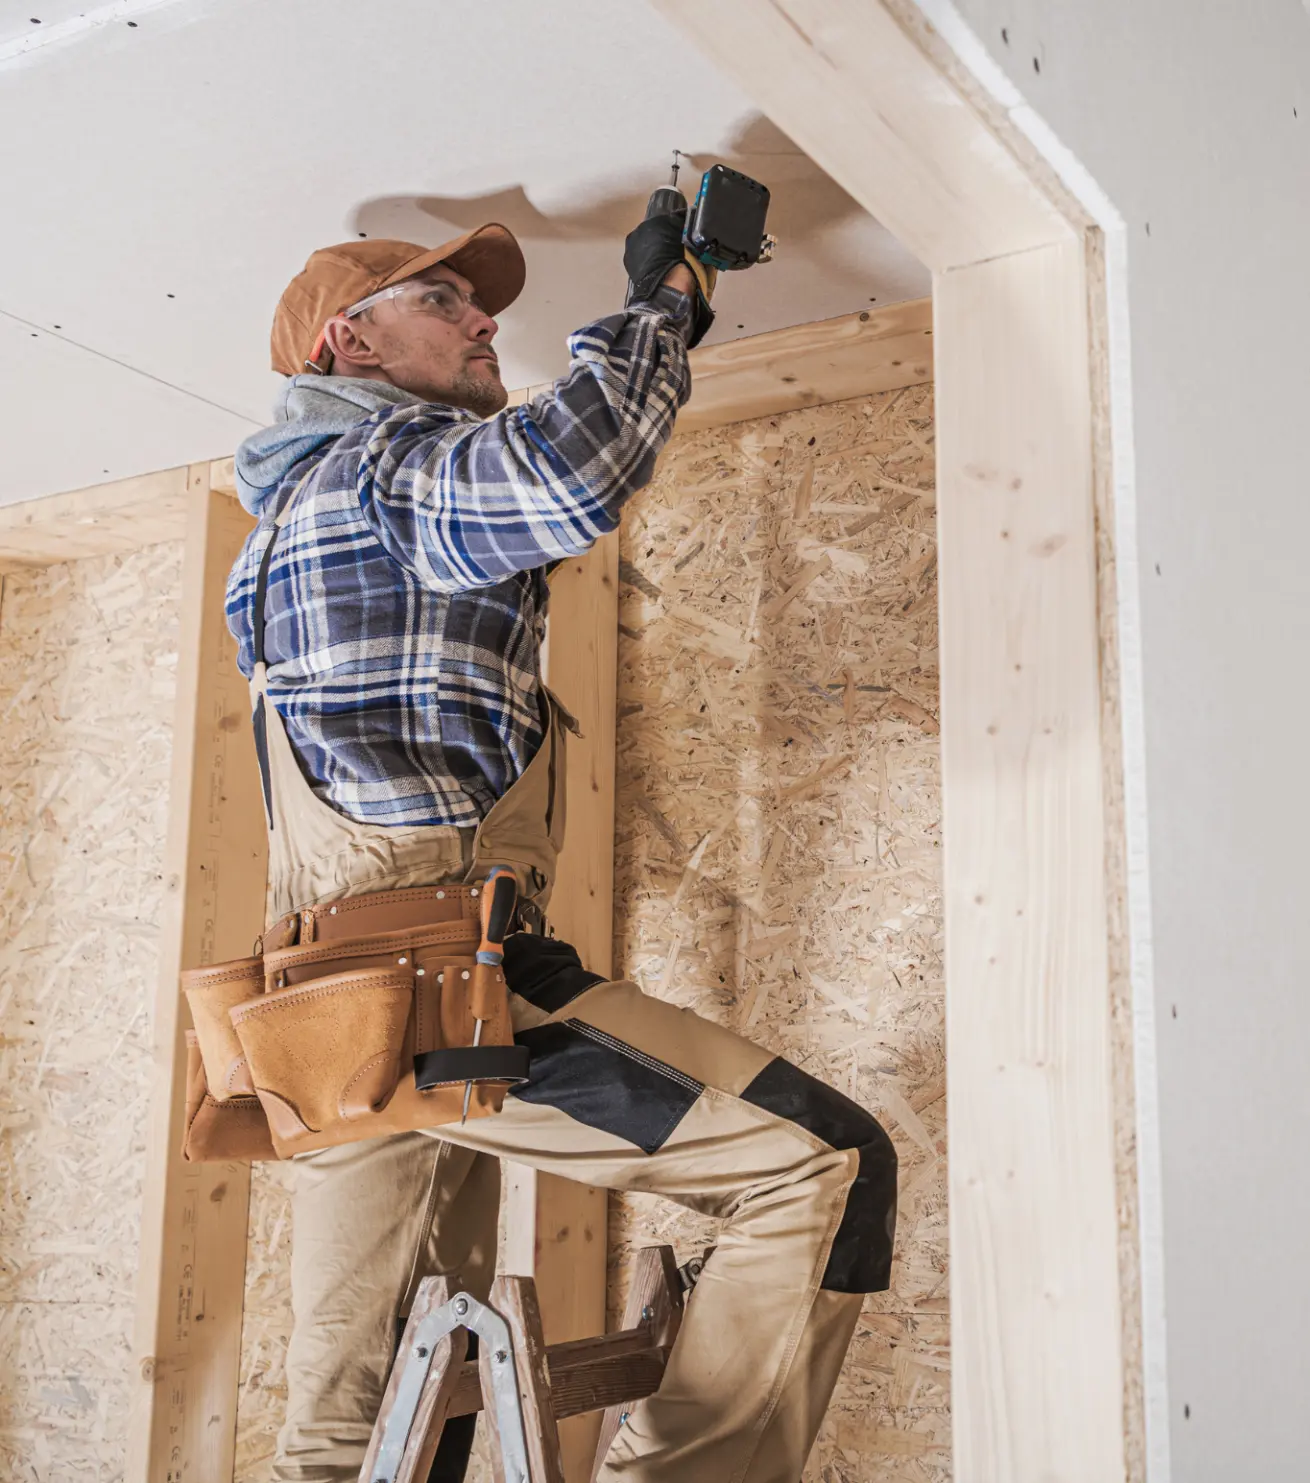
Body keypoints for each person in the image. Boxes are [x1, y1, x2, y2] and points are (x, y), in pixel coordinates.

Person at [226, 216, 895, 1482]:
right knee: (824, 1167)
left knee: (356, 1429)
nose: (486, 322)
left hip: (330, 1027)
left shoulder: (283, 534)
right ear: (346, 342)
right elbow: (568, 474)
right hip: (443, 992)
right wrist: (666, 301)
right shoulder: (379, 472)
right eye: (445, 301)